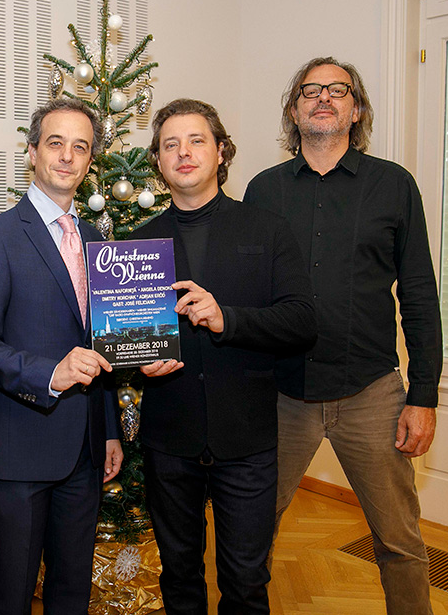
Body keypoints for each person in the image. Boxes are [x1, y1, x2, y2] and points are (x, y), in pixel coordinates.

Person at [244, 56, 443, 614]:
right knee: (250, 540)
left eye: (338, 90)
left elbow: (420, 297)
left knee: (400, 543)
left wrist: (423, 396)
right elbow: (246, 297)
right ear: (294, 108)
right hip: (281, 396)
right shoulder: (263, 191)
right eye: (311, 90)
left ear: (356, 109)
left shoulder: (394, 186)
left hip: (371, 395)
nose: (323, 98)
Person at [134, 98, 317, 614]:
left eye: (196, 140)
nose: (184, 152)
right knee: (180, 577)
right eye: (170, 144)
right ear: (159, 161)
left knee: (245, 582)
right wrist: (136, 362)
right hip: (170, 440)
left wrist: (228, 319)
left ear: (220, 151)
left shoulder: (266, 230)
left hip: (248, 440)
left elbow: (302, 321)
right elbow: (122, 343)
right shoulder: (138, 244)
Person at [0, 97, 123, 615]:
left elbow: (103, 341)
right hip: (20, 448)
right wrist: (48, 373)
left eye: (81, 147)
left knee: (72, 590)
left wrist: (112, 428)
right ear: (32, 152)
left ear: (90, 161)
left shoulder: (98, 242)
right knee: (12, 593)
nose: (68, 157)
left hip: (86, 447)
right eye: (56, 143)